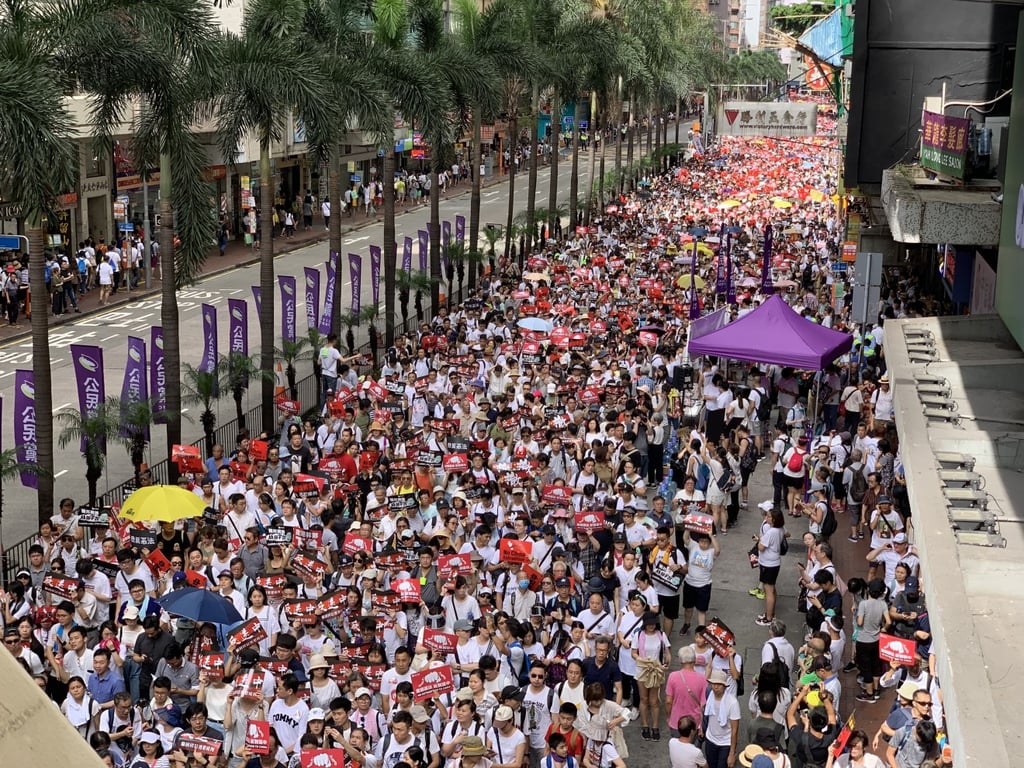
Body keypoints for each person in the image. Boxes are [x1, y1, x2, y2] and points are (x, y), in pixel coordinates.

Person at [702, 669, 740, 768]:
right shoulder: (710, 695)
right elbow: (705, 712)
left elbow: (734, 730)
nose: (715, 687)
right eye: (713, 683)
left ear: (724, 686)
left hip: (725, 744)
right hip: (710, 739)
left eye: (719, 684)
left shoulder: (732, 703)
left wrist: (731, 753)